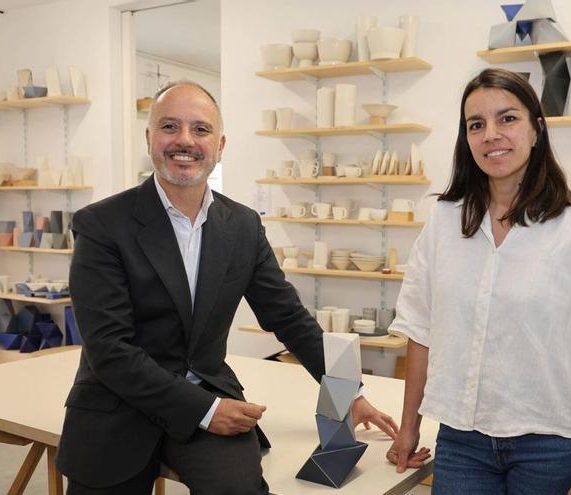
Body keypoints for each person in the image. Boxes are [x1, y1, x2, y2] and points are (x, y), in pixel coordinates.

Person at [56, 80, 398, 495]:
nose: (185, 140)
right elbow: (108, 348)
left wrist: (349, 394)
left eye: (200, 129)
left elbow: (289, 317)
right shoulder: (101, 224)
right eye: (169, 126)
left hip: (208, 394)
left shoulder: (243, 226)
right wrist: (206, 410)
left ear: (220, 145)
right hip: (118, 403)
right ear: (149, 138)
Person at [386, 68, 571, 494]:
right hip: (461, 440)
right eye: (476, 124)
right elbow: (420, 330)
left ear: (536, 130)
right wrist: (408, 428)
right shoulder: (444, 222)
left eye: (507, 118)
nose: (491, 134)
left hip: (551, 445)